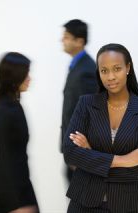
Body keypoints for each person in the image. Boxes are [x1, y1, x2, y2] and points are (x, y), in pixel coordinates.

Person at [62, 43, 138, 212]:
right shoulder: (86, 104)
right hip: (84, 203)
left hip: (131, 205)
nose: (110, 76)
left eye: (117, 68)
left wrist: (90, 153)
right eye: (104, 70)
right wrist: (124, 160)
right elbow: (70, 153)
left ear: (128, 68)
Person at [0, 52, 39, 213]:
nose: (29, 78)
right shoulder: (9, 110)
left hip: (9, 183)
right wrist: (19, 201)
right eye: (25, 74)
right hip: (12, 188)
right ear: (14, 77)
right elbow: (10, 157)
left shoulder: (5, 105)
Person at [60, 19, 98, 182]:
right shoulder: (77, 66)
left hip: (79, 153)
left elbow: (88, 113)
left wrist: (80, 153)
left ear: (79, 41)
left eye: (67, 37)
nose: (62, 40)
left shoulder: (86, 70)